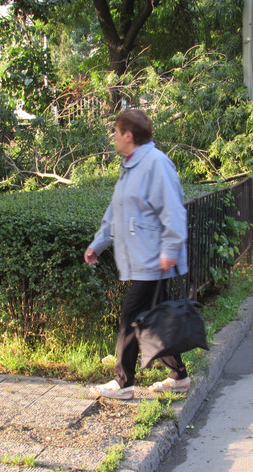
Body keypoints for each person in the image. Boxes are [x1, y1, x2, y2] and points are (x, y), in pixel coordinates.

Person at [84, 109, 191, 400]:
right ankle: (179, 375)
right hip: (143, 257)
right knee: (153, 320)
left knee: (131, 317)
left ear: (128, 135)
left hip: (154, 259)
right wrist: (98, 243)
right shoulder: (131, 165)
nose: (114, 138)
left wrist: (169, 250)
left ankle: (123, 382)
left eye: (116, 132)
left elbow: (173, 210)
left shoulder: (156, 164)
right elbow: (117, 211)